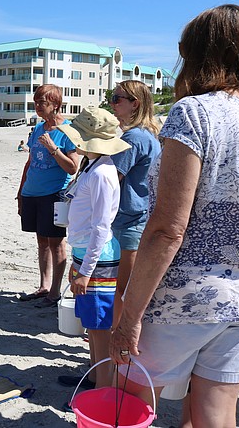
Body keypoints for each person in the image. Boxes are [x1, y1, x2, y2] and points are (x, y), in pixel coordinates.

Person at [110, 4, 239, 428]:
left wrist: (129, 315)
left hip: (187, 293)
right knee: (216, 411)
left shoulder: (195, 113)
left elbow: (169, 228)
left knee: (128, 397)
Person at [54, 107, 129, 390]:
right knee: (92, 325)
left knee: (100, 328)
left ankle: (103, 389)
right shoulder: (92, 165)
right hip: (86, 253)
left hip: (97, 257)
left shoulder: (102, 174)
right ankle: (95, 376)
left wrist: (85, 272)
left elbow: (101, 227)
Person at [17, 85, 80, 308]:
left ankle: (54, 292)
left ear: (55, 104)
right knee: (41, 240)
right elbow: (30, 162)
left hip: (54, 193)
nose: (37, 106)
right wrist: (21, 191)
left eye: (41, 102)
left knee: (56, 242)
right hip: (32, 191)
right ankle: (43, 286)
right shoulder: (37, 129)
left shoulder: (67, 131)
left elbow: (73, 167)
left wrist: (54, 149)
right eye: (35, 101)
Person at [107, 80, 161, 327]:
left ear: (134, 104)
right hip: (140, 217)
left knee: (121, 288)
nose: (112, 103)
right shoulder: (148, 134)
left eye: (117, 99)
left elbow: (110, 179)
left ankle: (115, 338)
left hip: (129, 220)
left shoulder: (134, 137)